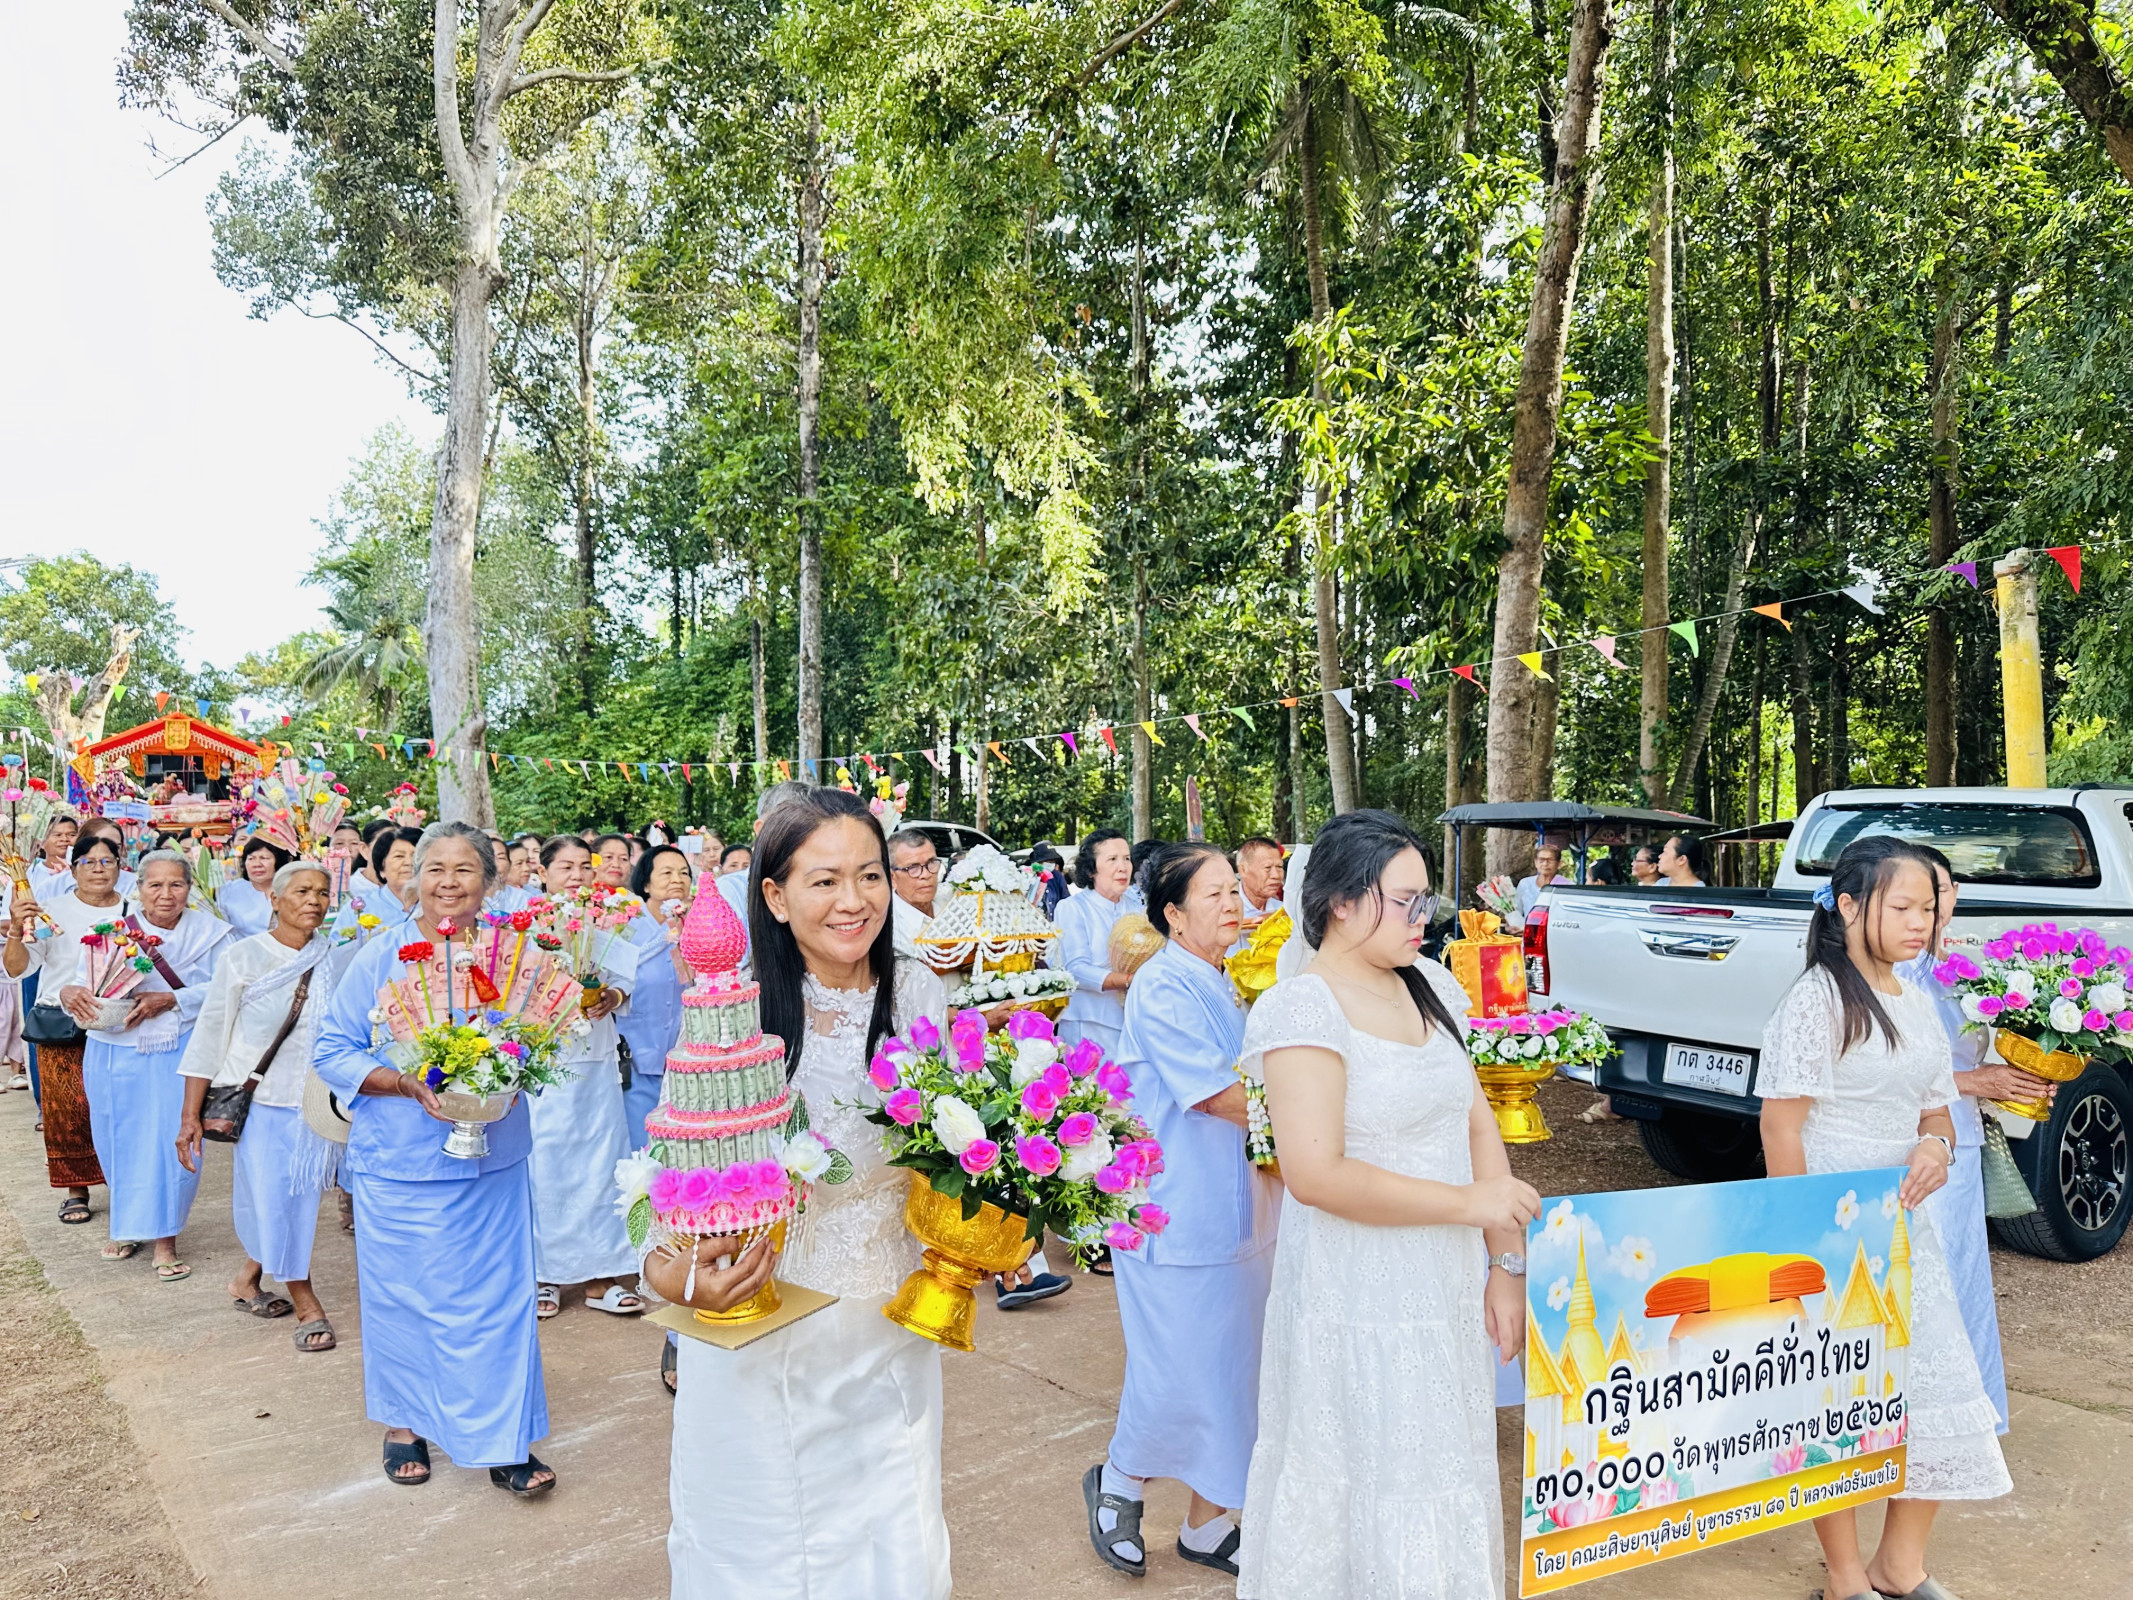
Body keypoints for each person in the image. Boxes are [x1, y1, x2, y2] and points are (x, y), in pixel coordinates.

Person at [651, 787, 952, 1600]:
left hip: (889, 1326)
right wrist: (680, 1279)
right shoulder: (729, 1008)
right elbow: (663, 1186)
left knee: (890, 1536)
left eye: (869, 875)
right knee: (762, 1546)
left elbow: (957, 1156)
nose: (853, 902)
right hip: (760, 1330)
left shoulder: (920, 994)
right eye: (823, 881)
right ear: (775, 897)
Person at [1236, 810, 1536, 1597]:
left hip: (1441, 1279)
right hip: (1354, 1288)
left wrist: (1505, 1262)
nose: (1422, 918)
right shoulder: (1302, 1009)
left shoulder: (1431, 984)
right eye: (1404, 901)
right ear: (1339, 901)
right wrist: (1471, 1206)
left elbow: (1475, 1121)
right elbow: (1316, 1175)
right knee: (1361, 1472)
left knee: (1441, 1463)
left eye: (1425, 900)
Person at [1758, 837, 2009, 1600]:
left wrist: (1934, 1147)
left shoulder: (1912, 997)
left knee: (1932, 1387)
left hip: (1906, 1229)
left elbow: (1935, 1107)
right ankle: (1843, 1579)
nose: (1918, 922)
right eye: (1901, 907)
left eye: (1927, 909)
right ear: (1848, 906)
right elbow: (1780, 1126)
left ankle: (1899, 1565)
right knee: (1835, 1403)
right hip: (1830, 1227)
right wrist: (1804, 1240)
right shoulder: (1816, 999)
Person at [314, 821, 556, 1497]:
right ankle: (405, 1424)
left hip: (494, 1159)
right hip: (400, 1161)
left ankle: (504, 1439)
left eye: (465, 870)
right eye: (435, 869)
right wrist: (404, 1082)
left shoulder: (519, 956)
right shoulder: (378, 955)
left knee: (496, 1303)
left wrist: (507, 1070)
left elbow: (541, 1038)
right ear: (411, 878)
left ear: (490, 880)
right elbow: (331, 1050)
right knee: (404, 1297)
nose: (449, 882)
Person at [1085, 841, 1275, 1581]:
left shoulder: (1229, 978)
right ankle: (1119, 1483)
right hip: (1175, 1208)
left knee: (1230, 1372)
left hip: (1243, 1206)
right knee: (1174, 1370)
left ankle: (1205, 1524)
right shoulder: (1164, 985)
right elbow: (1215, 1095)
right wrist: (1319, 1121)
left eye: (1236, 890)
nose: (1234, 903)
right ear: (1172, 912)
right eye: (1216, 893)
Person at [176, 860, 340, 1352]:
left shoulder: (335, 957)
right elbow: (209, 1035)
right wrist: (190, 1116)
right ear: (274, 898)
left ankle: (248, 1278)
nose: (313, 900)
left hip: (318, 1100)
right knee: (275, 1196)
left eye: (322, 892)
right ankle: (305, 1297)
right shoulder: (245, 958)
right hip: (263, 1101)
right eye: (302, 891)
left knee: (297, 1198)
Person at [1901, 848, 2026, 1436]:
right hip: (1913, 1144)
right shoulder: (1894, 974)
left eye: (1945, 889)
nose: (1936, 904)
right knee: (1928, 1280)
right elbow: (1887, 1072)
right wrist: (1979, 1081)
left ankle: (1971, 1419)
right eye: (1923, 892)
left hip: (1964, 1140)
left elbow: (1970, 1061)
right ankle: (1919, 1422)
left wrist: (2016, 1082)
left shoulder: (1961, 971)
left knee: (1966, 1278)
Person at [75, 849, 232, 1279]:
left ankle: (166, 1238)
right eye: (155, 885)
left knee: (172, 1140)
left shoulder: (215, 935)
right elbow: (81, 981)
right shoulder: (109, 931)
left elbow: (230, 990)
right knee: (116, 1137)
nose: (166, 894)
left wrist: (174, 998)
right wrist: (76, 995)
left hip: (179, 1051)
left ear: (189, 889)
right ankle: (126, 1225)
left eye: (176, 884)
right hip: (112, 1049)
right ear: (139, 889)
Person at [528, 835, 643, 1318]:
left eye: (583, 866)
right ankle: (545, 1276)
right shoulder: (525, 925)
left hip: (596, 1062)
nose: (576, 875)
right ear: (544, 872)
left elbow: (624, 987)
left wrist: (609, 1000)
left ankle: (601, 1278)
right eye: (565, 866)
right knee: (545, 1164)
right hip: (543, 1059)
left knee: (601, 1162)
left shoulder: (608, 921)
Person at [3, 831, 128, 1226]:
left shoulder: (134, 909)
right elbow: (18, 968)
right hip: (62, 1022)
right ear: (73, 869)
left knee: (122, 1108)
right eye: (88, 862)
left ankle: (127, 1185)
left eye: (106, 861)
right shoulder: (48, 912)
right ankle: (77, 1189)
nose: (98, 869)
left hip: (122, 1022)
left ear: (120, 867)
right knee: (69, 1109)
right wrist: (14, 931)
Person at [621, 843, 695, 1148]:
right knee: (644, 1150)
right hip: (637, 1060)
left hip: (686, 1064)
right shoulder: (626, 928)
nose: (677, 879)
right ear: (646, 883)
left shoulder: (697, 924)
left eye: (684, 873)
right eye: (666, 873)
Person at [1057, 829, 1133, 1056]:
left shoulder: (1137, 905)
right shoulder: (1073, 908)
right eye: (1112, 859)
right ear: (1091, 870)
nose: (1123, 867)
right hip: (1090, 1022)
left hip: (1134, 1020)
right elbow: (1076, 970)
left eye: (1127, 859)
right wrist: (1131, 981)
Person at [219, 837, 292, 938]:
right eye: (251, 859)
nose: (257, 864)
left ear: (279, 861)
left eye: (264, 858)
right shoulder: (229, 891)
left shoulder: (292, 889)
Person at [887, 829, 940, 959]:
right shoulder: (889, 926)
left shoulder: (952, 902)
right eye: (913, 868)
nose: (926, 875)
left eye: (931, 863)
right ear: (892, 877)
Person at [1235, 836, 1286, 927]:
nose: (1276, 875)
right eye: (1267, 867)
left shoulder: (1282, 911)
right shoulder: (1225, 910)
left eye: (1279, 867)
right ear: (1243, 869)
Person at [1515, 843, 1575, 916]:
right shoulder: (1525, 884)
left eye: (1550, 860)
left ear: (1559, 864)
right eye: (1541, 860)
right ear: (1535, 862)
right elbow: (1517, 910)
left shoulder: (1568, 886)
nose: (1545, 864)